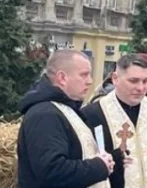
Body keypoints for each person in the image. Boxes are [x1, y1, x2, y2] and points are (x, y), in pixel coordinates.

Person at [17, 49, 116, 188]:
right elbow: (52, 171)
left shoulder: (64, 109)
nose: (90, 81)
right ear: (62, 78)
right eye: (84, 75)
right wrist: (99, 167)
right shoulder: (45, 115)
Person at [80, 53, 147, 188]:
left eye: (146, 81)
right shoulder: (92, 114)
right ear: (115, 78)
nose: (141, 88)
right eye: (134, 81)